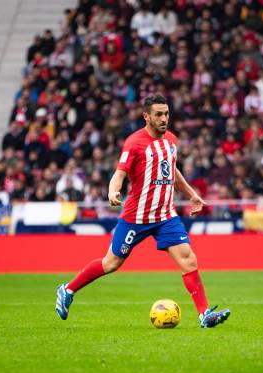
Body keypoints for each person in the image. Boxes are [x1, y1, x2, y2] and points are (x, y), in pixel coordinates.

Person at [56, 95, 231, 328]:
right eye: (158, 114)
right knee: (111, 263)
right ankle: (67, 290)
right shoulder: (134, 143)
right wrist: (112, 191)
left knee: (188, 259)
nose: (164, 119)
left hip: (166, 216)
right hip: (136, 218)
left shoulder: (171, 141)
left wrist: (191, 194)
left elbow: (172, 171)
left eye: (166, 114)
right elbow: (120, 172)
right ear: (146, 116)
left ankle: (204, 315)